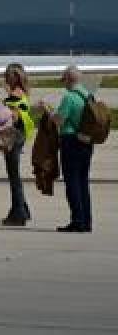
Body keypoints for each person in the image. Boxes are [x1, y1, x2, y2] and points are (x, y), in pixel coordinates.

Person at [43, 65, 93, 232]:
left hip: (71, 142)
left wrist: (48, 111)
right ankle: (86, 221)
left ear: (69, 80)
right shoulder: (88, 95)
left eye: (64, 80)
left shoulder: (69, 97)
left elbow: (59, 121)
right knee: (83, 182)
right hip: (87, 142)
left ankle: (77, 221)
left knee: (72, 182)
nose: (63, 83)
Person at [0, 63, 34, 227]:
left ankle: (19, 213)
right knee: (15, 176)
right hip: (20, 136)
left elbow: (13, 117)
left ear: (14, 77)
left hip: (13, 137)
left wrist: (2, 105)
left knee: (14, 177)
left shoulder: (14, 95)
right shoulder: (23, 93)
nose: (5, 77)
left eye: (7, 75)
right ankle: (21, 210)